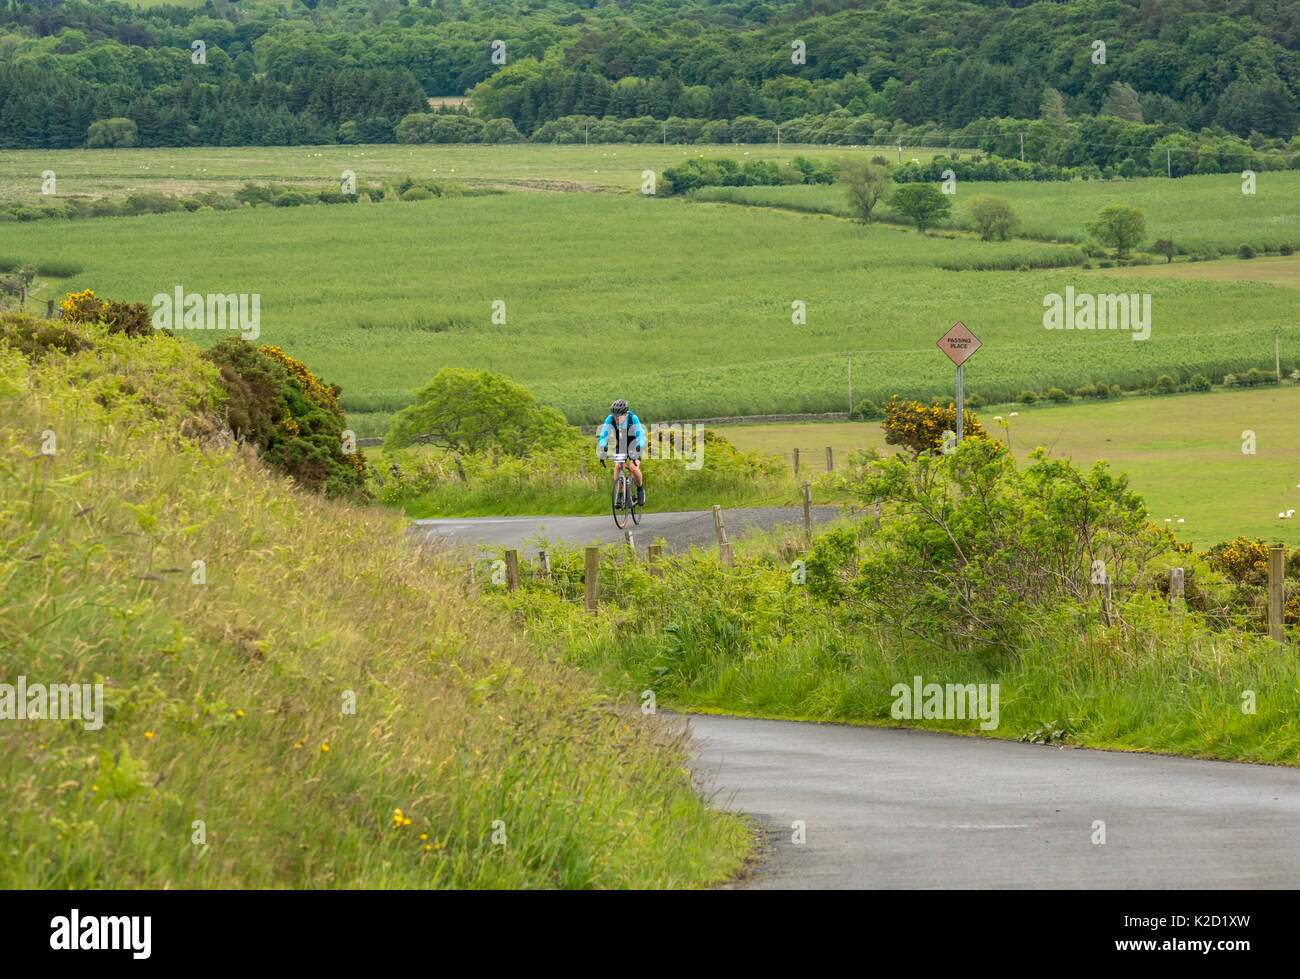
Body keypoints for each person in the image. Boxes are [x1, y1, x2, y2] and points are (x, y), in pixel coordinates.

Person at [597, 398, 646, 505]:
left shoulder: (633, 418)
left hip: (635, 445)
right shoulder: (610, 419)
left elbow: (641, 436)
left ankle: (640, 488)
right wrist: (603, 448)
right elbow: (603, 436)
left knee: (633, 467)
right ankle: (619, 494)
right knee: (618, 466)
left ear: (626, 413)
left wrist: (638, 447)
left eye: (619, 418)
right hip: (622, 446)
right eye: (615, 417)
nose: (617, 420)